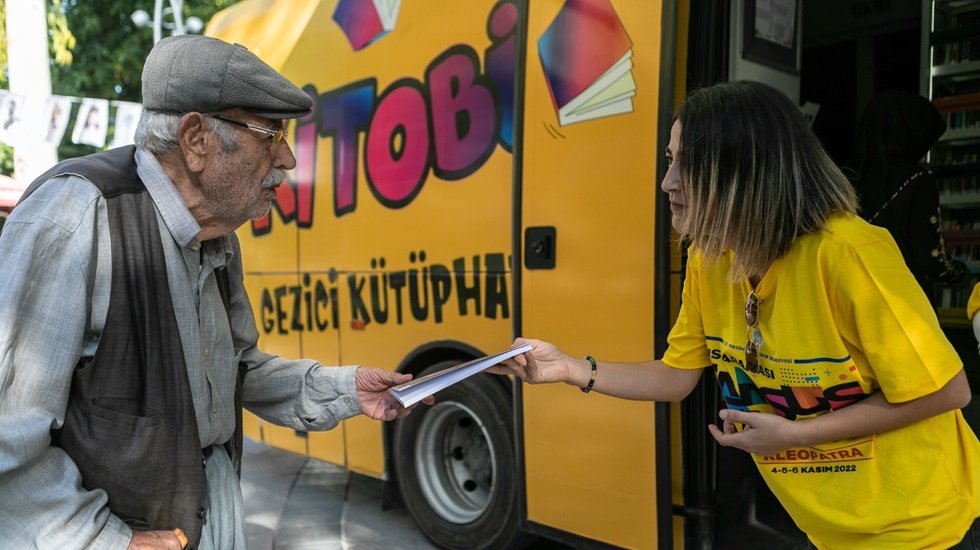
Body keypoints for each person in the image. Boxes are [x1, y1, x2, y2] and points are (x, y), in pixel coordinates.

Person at [493, 81, 980, 549]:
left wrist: (795, 436)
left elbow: (949, 391)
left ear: (747, 170)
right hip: (830, 529)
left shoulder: (849, 255)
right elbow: (675, 376)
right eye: (669, 161)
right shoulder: (709, 259)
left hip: (928, 527)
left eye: (689, 166)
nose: (667, 183)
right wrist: (569, 368)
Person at [0, 35, 430, 550]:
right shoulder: (76, 216)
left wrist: (345, 390)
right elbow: (8, 437)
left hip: (212, 505)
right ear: (196, 137)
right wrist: (102, 541)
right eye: (270, 133)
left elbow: (235, 368)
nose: (288, 158)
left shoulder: (216, 231)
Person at [850, 90, 966, 293]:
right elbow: (931, 262)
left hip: (851, 298)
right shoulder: (917, 181)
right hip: (902, 304)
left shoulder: (844, 179)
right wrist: (963, 275)